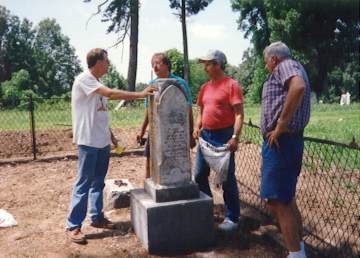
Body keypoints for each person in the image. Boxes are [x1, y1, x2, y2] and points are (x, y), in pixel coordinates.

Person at [66, 48, 157, 244]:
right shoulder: (84, 79)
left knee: (98, 182)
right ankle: (73, 225)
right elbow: (111, 93)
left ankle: (96, 217)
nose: (109, 64)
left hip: (101, 142)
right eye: (106, 61)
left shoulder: (97, 84)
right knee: (83, 183)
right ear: (98, 62)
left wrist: (113, 139)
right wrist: (140, 94)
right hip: (88, 142)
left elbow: (101, 117)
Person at [260, 41, 311, 258]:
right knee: (285, 198)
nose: (266, 67)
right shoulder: (293, 66)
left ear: (274, 59)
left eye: (266, 62)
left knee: (278, 201)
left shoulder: (285, 65)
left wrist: (280, 125)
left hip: (282, 142)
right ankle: (299, 250)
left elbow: (297, 86)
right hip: (286, 142)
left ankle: (296, 254)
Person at [193, 49, 244, 232]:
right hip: (206, 136)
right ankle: (207, 210)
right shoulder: (205, 87)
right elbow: (201, 110)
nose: (205, 67)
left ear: (217, 64)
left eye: (207, 63)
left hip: (224, 136)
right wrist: (197, 127)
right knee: (199, 175)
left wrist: (235, 137)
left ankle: (232, 217)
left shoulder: (232, 85)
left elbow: (238, 114)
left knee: (227, 178)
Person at [136, 52, 195, 178]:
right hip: (155, 130)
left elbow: (188, 108)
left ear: (167, 65)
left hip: (176, 130)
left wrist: (190, 133)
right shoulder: (152, 84)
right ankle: (148, 187)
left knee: (176, 160)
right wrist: (142, 131)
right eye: (153, 64)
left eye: (158, 63)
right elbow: (148, 109)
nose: (155, 67)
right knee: (149, 161)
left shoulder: (180, 83)